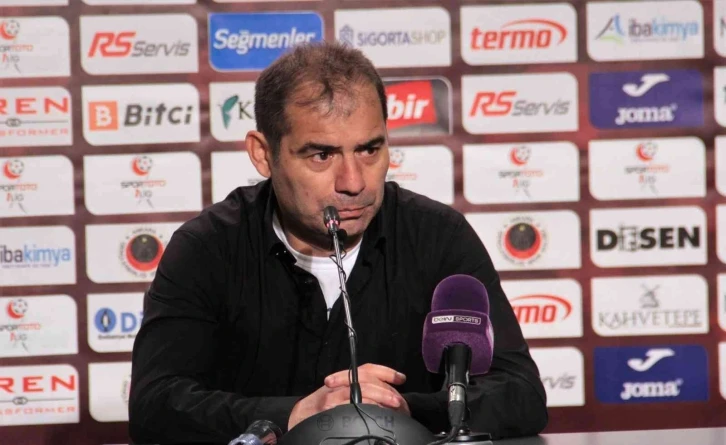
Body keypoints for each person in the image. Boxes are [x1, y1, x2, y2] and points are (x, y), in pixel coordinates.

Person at [129, 41, 548, 444]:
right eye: (322, 155)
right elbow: (154, 405)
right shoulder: (208, 248)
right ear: (263, 154)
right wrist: (294, 415)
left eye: (369, 150)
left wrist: (400, 411)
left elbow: (521, 393)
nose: (354, 182)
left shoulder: (438, 236)